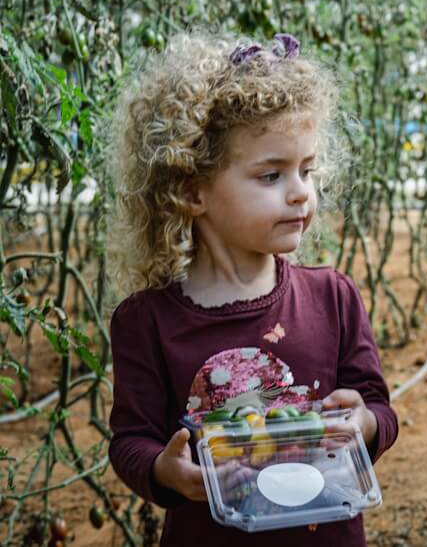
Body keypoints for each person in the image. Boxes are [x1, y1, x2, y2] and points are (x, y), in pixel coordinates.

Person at [107, 32, 398, 546]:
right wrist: (164, 470)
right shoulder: (146, 321)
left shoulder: (333, 298)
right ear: (191, 190)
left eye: (306, 170)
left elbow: (377, 406)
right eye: (271, 175)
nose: (300, 193)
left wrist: (365, 423)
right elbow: (131, 439)